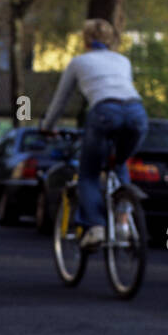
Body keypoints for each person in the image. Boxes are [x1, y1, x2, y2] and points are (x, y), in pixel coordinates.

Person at [39, 18, 148, 249]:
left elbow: (61, 101)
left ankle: (96, 227)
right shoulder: (123, 60)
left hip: (104, 113)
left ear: (85, 39)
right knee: (119, 163)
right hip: (137, 113)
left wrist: (47, 126)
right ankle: (122, 224)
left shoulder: (79, 62)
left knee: (88, 174)